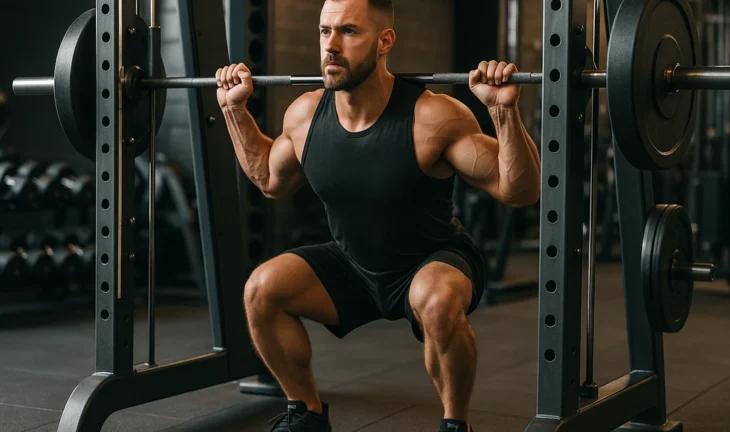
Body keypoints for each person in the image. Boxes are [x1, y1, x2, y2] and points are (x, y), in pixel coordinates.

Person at [216, 0, 540, 430]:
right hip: (353, 262)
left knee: (437, 300)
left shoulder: (433, 116)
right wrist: (233, 110)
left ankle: (454, 424)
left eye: (348, 32)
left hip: (431, 260)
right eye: (324, 31)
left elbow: (519, 192)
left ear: (385, 41)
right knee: (261, 289)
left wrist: (502, 111)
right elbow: (270, 181)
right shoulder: (306, 114)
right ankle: (306, 414)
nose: (330, 46)